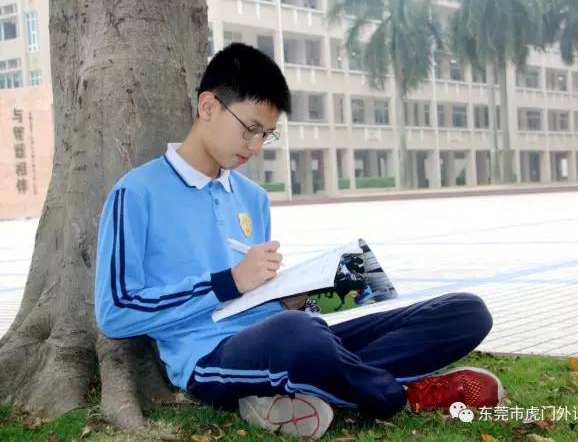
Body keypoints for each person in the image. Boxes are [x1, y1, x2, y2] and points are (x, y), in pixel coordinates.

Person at [95, 43, 503, 440]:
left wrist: (294, 296)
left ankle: (298, 391)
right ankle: (402, 394)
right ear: (208, 107)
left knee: (465, 312)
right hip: (209, 357)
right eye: (250, 130)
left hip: (285, 332)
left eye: (267, 135)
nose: (255, 147)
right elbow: (115, 313)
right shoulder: (137, 194)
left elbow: (258, 294)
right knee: (298, 335)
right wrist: (229, 282)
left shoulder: (252, 198)